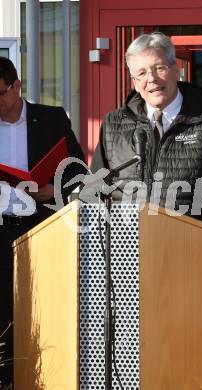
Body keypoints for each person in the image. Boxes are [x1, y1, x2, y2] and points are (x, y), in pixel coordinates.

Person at [91, 32, 202, 234]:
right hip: (127, 252)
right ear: (135, 82)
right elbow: (94, 192)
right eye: (142, 73)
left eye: (159, 68)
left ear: (176, 70)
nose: (152, 79)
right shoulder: (113, 124)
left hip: (191, 248)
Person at [0, 56, 86, 387]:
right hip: (1, 227)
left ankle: (46, 377)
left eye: (1, 94)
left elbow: (78, 168)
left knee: (41, 305)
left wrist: (53, 189)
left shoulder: (50, 119)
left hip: (40, 227)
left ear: (17, 85)